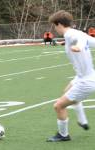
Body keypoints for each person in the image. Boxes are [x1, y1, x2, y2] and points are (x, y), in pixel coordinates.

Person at [46, 10, 95, 142]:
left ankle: (63, 135)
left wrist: (78, 47)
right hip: (83, 77)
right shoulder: (78, 33)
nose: (55, 29)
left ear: (60, 24)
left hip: (86, 81)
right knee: (67, 91)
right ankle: (82, 120)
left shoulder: (71, 35)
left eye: (55, 26)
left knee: (58, 106)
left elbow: (77, 41)